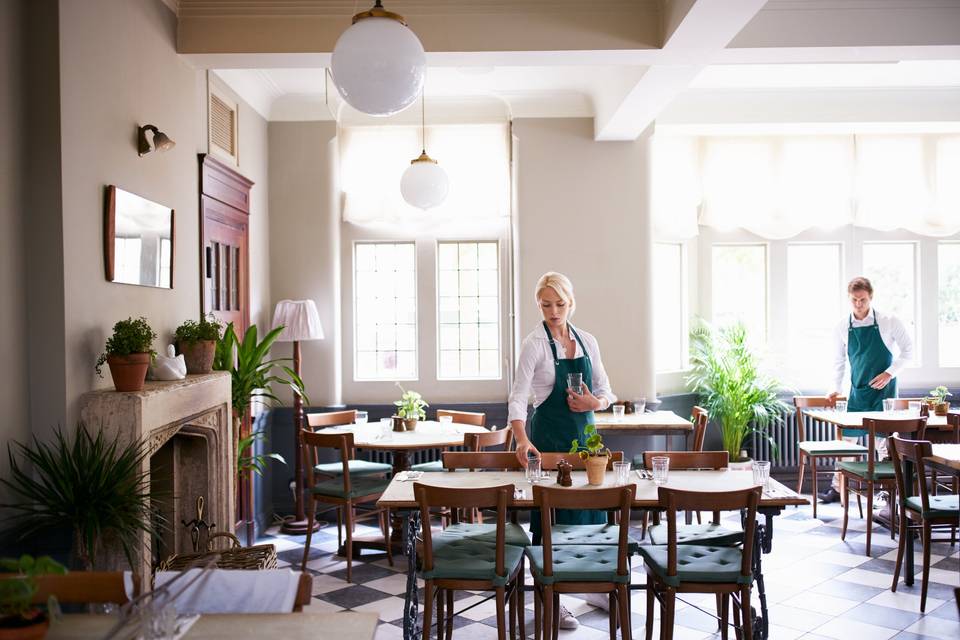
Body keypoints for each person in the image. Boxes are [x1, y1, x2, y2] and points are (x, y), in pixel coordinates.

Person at [508, 272, 617, 628]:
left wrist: (594, 402)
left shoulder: (588, 341)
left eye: (560, 303)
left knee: (591, 517)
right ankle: (551, 598)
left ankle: (593, 586)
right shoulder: (533, 345)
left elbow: (606, 390)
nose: (553, 311)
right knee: (553, 520)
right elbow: (518, 397)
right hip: (549, 442)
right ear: (537, 305)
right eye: (545, 304)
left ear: (571, 303)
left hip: (587, 442)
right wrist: (523, 440)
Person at [820, 276, 914, 504]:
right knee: (846, 442)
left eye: (862, 300)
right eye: (854, 300)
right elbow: (838, 362)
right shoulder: (842, 326)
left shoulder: (889, 321)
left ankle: (887, 490)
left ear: (871, 297)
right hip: (858, 390)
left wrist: (889, 373)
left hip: (884, 392)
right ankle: (837, 487)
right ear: (849, 299)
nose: (859, 304)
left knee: (885, 442)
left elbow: (908, 351)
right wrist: (834, 387)